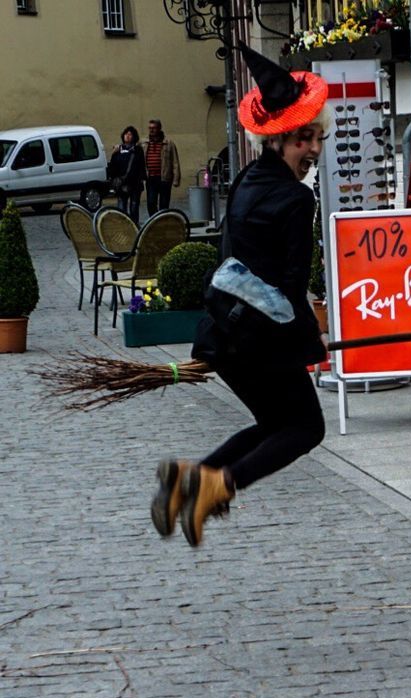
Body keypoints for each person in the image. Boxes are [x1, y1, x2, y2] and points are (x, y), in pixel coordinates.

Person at [150, 45, 328, 548]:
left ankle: (188, 482)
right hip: (258, 338)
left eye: (317, 137)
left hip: (226, 334)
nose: (313, 149)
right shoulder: (296, 198)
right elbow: (289, 287)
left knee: (274, 423)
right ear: (278, 140)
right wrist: (313, 342)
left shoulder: (250, 179)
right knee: (304, 429)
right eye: (304, 138)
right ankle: (214, 488)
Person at [106, 126, 145, 221]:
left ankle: (134, 226)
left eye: (130, 134)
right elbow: (113, 167)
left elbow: (141, 167)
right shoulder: (118, 151)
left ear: (134, 136)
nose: (127, 136)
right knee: (121, 209)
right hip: (121, 185)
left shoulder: (138, 150)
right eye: (126, 134)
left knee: (134, 207)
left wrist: (141, 180)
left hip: (135, 185)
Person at [143, 118, 181, 216]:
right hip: (150, 178)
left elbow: (175, 162)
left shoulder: (169, 144)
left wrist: (176, 179)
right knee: (151, 203)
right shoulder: (144, 143)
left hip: (164, 178)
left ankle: (163, 221)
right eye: (150, 128)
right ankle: (154, 221)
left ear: (159, 128)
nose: (151, 130)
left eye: (154, 128)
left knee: (164, 204)